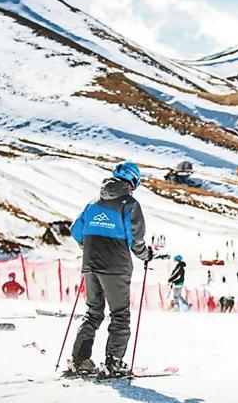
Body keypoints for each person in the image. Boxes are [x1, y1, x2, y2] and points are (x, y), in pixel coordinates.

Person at [68, 161, 151, 376]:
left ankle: (80, 360)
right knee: (119, 314)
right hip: (116, 267)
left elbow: (76, 231)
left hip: (90, 265)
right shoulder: (129, 204)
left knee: (93, 313)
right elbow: (136, 239)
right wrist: (146, 255)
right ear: (134, 181)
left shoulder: (93, 202)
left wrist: (90, 246)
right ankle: (113, 362)